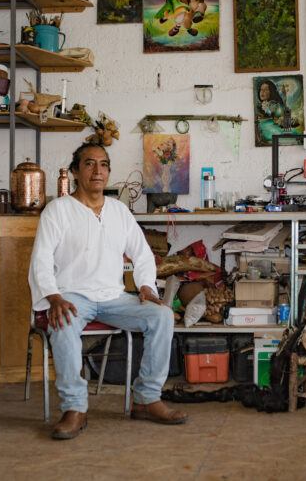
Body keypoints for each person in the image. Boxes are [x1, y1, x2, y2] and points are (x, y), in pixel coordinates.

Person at [28, 143, 188, 440]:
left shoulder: (119, 212)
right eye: (89, 164)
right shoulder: (58, 210)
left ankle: (146, 399)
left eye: (103, 164)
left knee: (162, 316)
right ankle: (75, 408)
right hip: (71, 295)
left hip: (114, 297)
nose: (97, 170)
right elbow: (41, 259)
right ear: (75, 171)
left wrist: (145, 287)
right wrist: (53, 297)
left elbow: (141, 254)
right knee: (62, 320)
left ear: (109, 171)